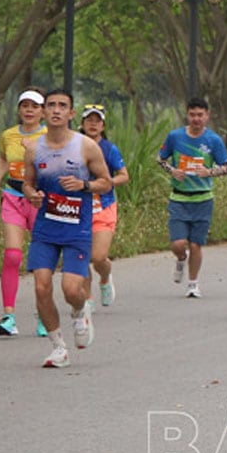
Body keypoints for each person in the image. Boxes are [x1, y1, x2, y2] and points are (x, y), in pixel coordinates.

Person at [20, 89, 113, 368]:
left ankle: (80, 309)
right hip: (46, 227)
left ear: (72, 113)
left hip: (76, 228)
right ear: (44, 111)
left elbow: (106, 182)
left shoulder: (86, 146)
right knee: (41, 286)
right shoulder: (34, 148)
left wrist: (84, 185)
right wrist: (31, 194)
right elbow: (27, 182)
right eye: (51, 106)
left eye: (63, 106)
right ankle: (58, 346)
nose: (56, 110)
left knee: (72, 289)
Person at [0, 88, 46, 338]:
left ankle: (44, 316)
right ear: (19, 109)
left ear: (42, 111)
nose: (29, 110)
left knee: (42, 261)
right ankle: (8, 316)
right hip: (13, 197)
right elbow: (3, 158)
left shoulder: (50, 136)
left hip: (41, 201)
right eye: (25, 105)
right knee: (12, 256)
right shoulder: (8, 135)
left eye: (34, 106)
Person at [157, 97, 227, 298]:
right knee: (178, 243)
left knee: (196, 244)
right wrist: (172, 171)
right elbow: (160, 158)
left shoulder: (213, 140)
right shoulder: (175, 136)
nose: (196, 119)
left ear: (207, 116)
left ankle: (193, 283)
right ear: (186, 115)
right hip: (179, 198)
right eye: (192, 115)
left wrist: (210, 172)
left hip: (203, 199)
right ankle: (181, 259)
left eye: (200, 115)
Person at [78, 104, 129, 308]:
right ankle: (88, 297)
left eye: (97, 121)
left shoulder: (109, 149)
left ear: (103, 125)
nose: (93, 124)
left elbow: (124, 176)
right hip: (78, 207)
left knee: (98, 257)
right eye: (89, 120)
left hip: (104, 206)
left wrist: (102, 184)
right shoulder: (74, 145)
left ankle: (105, 279)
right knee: (81, 255)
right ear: (81, 123)